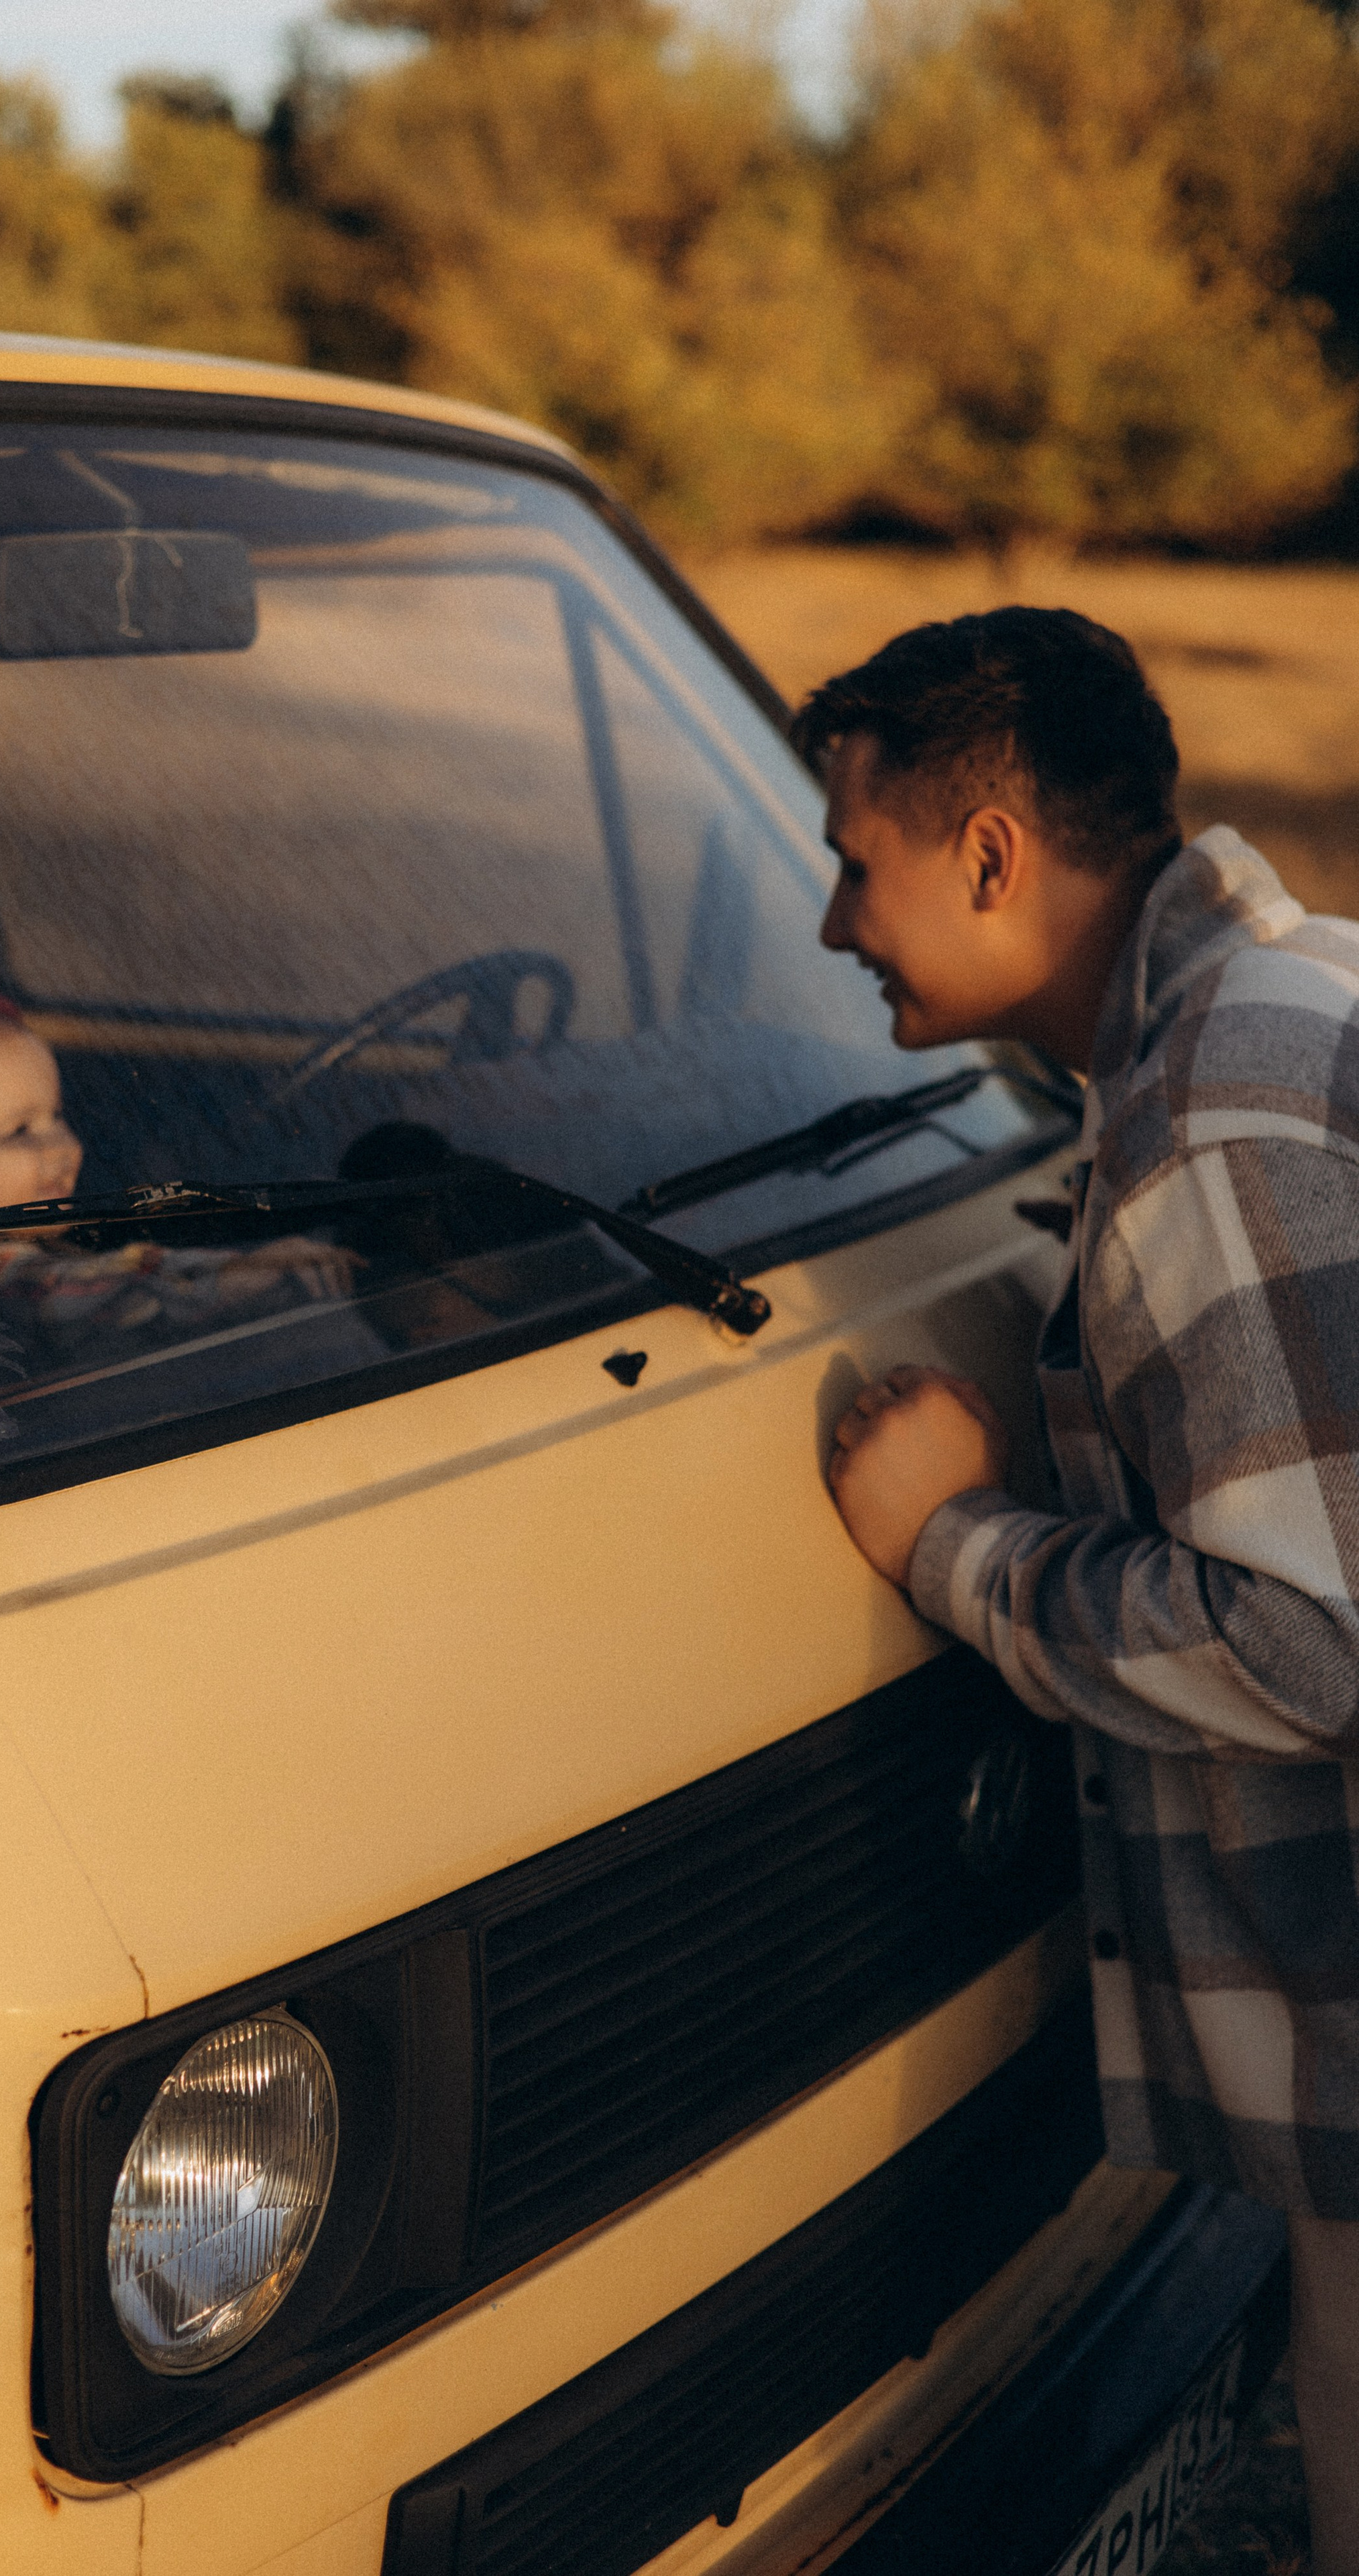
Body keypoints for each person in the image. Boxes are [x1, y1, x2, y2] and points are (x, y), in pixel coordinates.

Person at [796, 608, 1359, 2572]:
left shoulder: (1202, 1124)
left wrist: (955, 1544)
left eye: (851, 862)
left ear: (984, 856)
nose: (828, 926)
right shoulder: (1285, 994)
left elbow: (1300, 1643)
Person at [0, 987, 356, 1370]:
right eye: (19, 1133)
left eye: (58, 1117)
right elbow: (74, 1292)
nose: (61, 1149)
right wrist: (245, 1274)